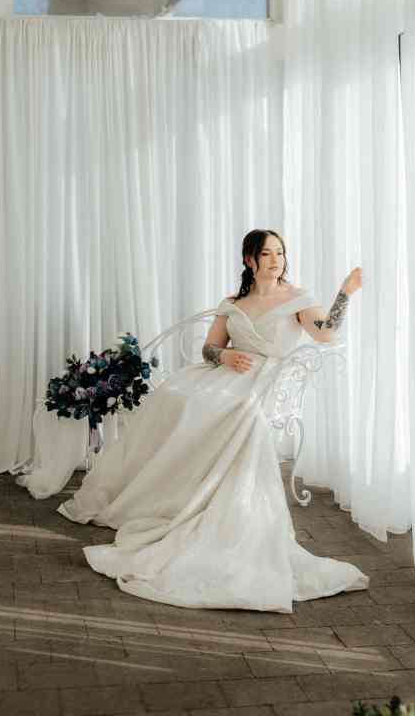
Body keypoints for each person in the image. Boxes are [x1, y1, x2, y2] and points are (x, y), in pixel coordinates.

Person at [58, 229, 369, 611]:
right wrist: (223, 358)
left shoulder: (297, 299)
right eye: (267, 254)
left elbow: (325, 335)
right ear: (249, 260)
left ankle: (209, 503)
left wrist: (345, 293)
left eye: (280, 254)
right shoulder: (233, 302)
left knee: (225, 411)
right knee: (175, 400)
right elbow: (210, 347)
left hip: (265, 380)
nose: (276, 260)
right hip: (227, 372)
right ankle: (169, 493)